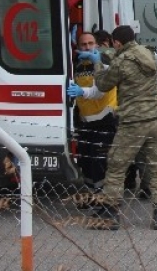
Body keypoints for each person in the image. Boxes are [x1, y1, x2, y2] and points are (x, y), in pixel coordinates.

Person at [90, 25, 157, 230]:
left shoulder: (122, 62)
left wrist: (97, 63)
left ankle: (111, 215)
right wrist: (106, 53)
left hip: (133, 122)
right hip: (156, 119)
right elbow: (121, 54)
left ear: (117, 43)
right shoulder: (148, 53)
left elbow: (103, 85)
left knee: (117, 166)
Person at [66, 32, 119, 194]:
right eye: (84, 44)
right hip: (86, 122)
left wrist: (81, 91)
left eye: (90, 43)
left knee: (100, 163)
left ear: (96, 45)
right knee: (86, 162)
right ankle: (92, 197)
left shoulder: (104, 62)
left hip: (105, 120)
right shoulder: (77, 64)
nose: (87, 47)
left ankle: (106, 204)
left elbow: (101, 90)